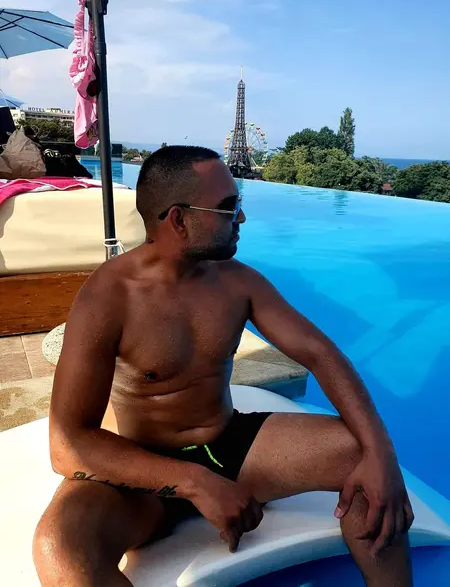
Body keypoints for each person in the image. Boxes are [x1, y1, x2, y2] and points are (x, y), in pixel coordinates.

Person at [33, 146, 414, 587]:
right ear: (179, 220)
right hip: (143, 468)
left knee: (364, 456)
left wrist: (382, 454)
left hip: (230, 447)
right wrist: (195, 482)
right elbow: (67, 445)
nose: (242, 218)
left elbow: (321, 354)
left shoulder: (237, 281)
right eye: (229, 207)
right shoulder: (109, 297)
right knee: (60, 548)